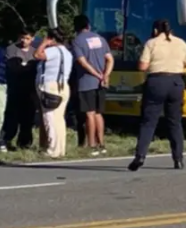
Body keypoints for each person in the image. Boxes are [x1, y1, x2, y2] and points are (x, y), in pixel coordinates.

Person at [128, 19, 186, 171]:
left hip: (157, 82)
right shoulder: (180, 42)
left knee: (149, 122)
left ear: (156, 30)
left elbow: (143, 66)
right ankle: (178, 159)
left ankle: (140, 156)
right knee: (175, 122)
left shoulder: (152, 43)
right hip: (176, 83)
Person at [71, 14, 114, 155]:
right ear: (88, 25)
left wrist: (96, 74)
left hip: (86, 82)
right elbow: (110, 59)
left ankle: (91, 144)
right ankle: (102, 143)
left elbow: (83, 62)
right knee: (98, 113)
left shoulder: (77, 41)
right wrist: (105, 75)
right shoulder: (100, 39)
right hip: (101, 83)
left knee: (89, 113)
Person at [33, 29, 74, 158]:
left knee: (49, 118)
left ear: (52, 39)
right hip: (63, 86)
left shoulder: (53, 51)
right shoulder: (68, 53)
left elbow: (37, 55)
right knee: (59, 119)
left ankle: (52, 150)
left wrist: (44, 44)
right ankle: (60, 148)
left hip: (51, 86)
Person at [1, 29, 38, 152]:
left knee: (27, 118)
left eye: (27, 38)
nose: (24, 41)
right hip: (15, 89)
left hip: (30, 90)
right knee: (11, 117)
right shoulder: (12, 49)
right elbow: (14, 68)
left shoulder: (35, 51)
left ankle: (24, 143)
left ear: (32, 38)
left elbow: (34, 69)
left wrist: (25, 66)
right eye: (22, 37)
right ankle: (5, 140)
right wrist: (28, 66)